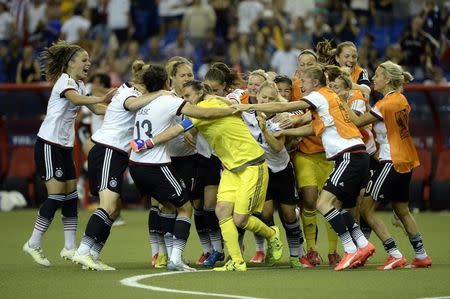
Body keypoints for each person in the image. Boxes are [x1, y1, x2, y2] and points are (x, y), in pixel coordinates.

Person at [234, 64, 375, 271]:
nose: (301, 86)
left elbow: (284, 107)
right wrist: (288, 129)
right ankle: (363, 244)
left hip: (349, 155)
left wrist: (249, 107)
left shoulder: (318, 96)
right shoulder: (328, 98)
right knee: (336, 206)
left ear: (315, 83)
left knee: (322, 204)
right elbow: (314, 128)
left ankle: (351, 250)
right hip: (357, 154)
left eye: (305, 82)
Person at [135, 79, 284, 271]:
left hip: (252, 166)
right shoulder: (217, 102)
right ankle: (237, 261)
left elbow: (175, 131)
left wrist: (148, 143)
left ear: (199, 93)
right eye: (182, 97)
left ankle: (272, 234)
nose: (184, 100)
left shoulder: (201, 110)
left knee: (240, 219)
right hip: (231, 169)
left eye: (188, 96)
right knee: (221, 211)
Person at [128, 65, 238, 272]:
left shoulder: (143, 104)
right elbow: (200, 113)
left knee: (168, 207)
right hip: (155, 164)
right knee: (186, 208)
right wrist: (230, 109)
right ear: (167, 82)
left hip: (136, 164)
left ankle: (168, 255)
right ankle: (175, 258)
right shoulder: (170, 101)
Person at [23, 40, 114, 267]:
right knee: (56, 195)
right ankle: (33, 243)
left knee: (71, 196)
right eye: (84, 60)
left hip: (64, 146)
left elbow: (94, 108)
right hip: (48, 143)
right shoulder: (65, 82)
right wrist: (102, 97)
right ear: (70, 63)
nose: (88, 63)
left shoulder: (81, 86)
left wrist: (120, 110)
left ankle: (70, 247)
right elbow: (77, 100)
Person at [72, 60, 168, 271]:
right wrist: (160, 94)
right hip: (109, 150)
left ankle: (93, 254)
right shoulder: (128, 94)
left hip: (115, 153)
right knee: (108, 204)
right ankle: (82, 251)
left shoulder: (131, 90)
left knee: (114, 209)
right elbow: (131, 105)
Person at [344, 61, 432, 270]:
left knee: (366, 209)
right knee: (402, 209)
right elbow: (380, 121)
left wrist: (339, 101)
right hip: (406, 159)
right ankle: (421, 255)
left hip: (391, 160)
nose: (374, 78)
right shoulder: (400, 99)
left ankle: (394, 253)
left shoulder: (385, 104)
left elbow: (356, 122)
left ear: (388, 80)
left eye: (377, 75)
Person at [242, 80, 312, 269]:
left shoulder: (281, 118)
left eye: (271, 98)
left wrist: (264, 128)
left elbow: (277, 146)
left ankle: (296, 256)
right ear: (257, 96)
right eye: (263, 97)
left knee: (289, 215)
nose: (266, 101)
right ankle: (272, 245)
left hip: (281, 169)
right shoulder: (246, 114)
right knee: (265, 214)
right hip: (261, 170)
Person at [291, 50, 339, 267]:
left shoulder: (327, 89)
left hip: (329, 153)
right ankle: (312, 249)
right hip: (305, 154)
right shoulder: (294, 86)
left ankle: (333, 251)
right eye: (302, 64)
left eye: (310, 63)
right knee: (309, 200)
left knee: (330, 202)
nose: (305, 67)